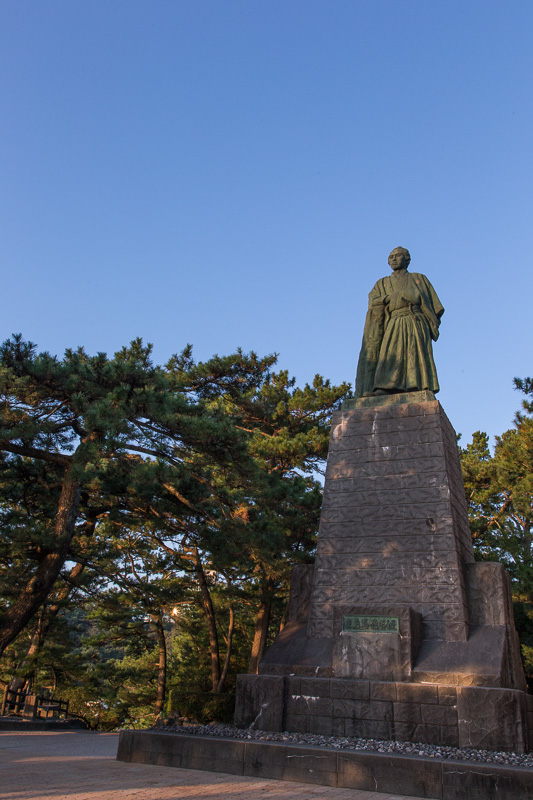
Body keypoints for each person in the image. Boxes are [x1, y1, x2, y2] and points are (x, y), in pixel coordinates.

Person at [355, 247, 444, 398]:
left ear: (407, 259)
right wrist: (387, 298)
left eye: (397, 256)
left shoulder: (419, 279)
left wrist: (414, 297)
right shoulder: (382, 283)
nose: (394, 259)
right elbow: (373, 301)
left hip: (415, 320)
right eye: (391, 257)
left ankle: (416, 385)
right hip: (394, 321)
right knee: (389, 354)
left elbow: (435, 306)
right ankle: (385, 386)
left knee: (414, 353)